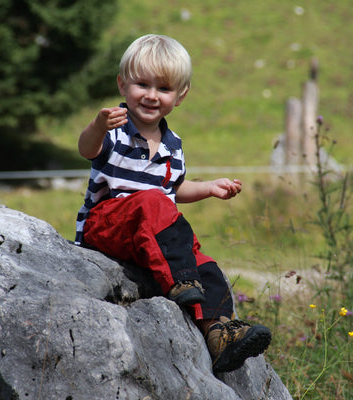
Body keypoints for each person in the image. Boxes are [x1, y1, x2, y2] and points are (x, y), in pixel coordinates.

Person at [75, 34, 271, 373]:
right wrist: (97, 125)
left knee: (203, 260)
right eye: (142, 84)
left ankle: (218, 332)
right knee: (151, 203)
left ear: (180, 96)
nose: (151, 95)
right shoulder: (115, 127)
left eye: (163, 88)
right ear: (123, 85)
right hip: (107, 224)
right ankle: (180, 281)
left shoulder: (172, 144)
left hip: (149, 230)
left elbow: (174, 189)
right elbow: (87, 150)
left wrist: (209, 188)